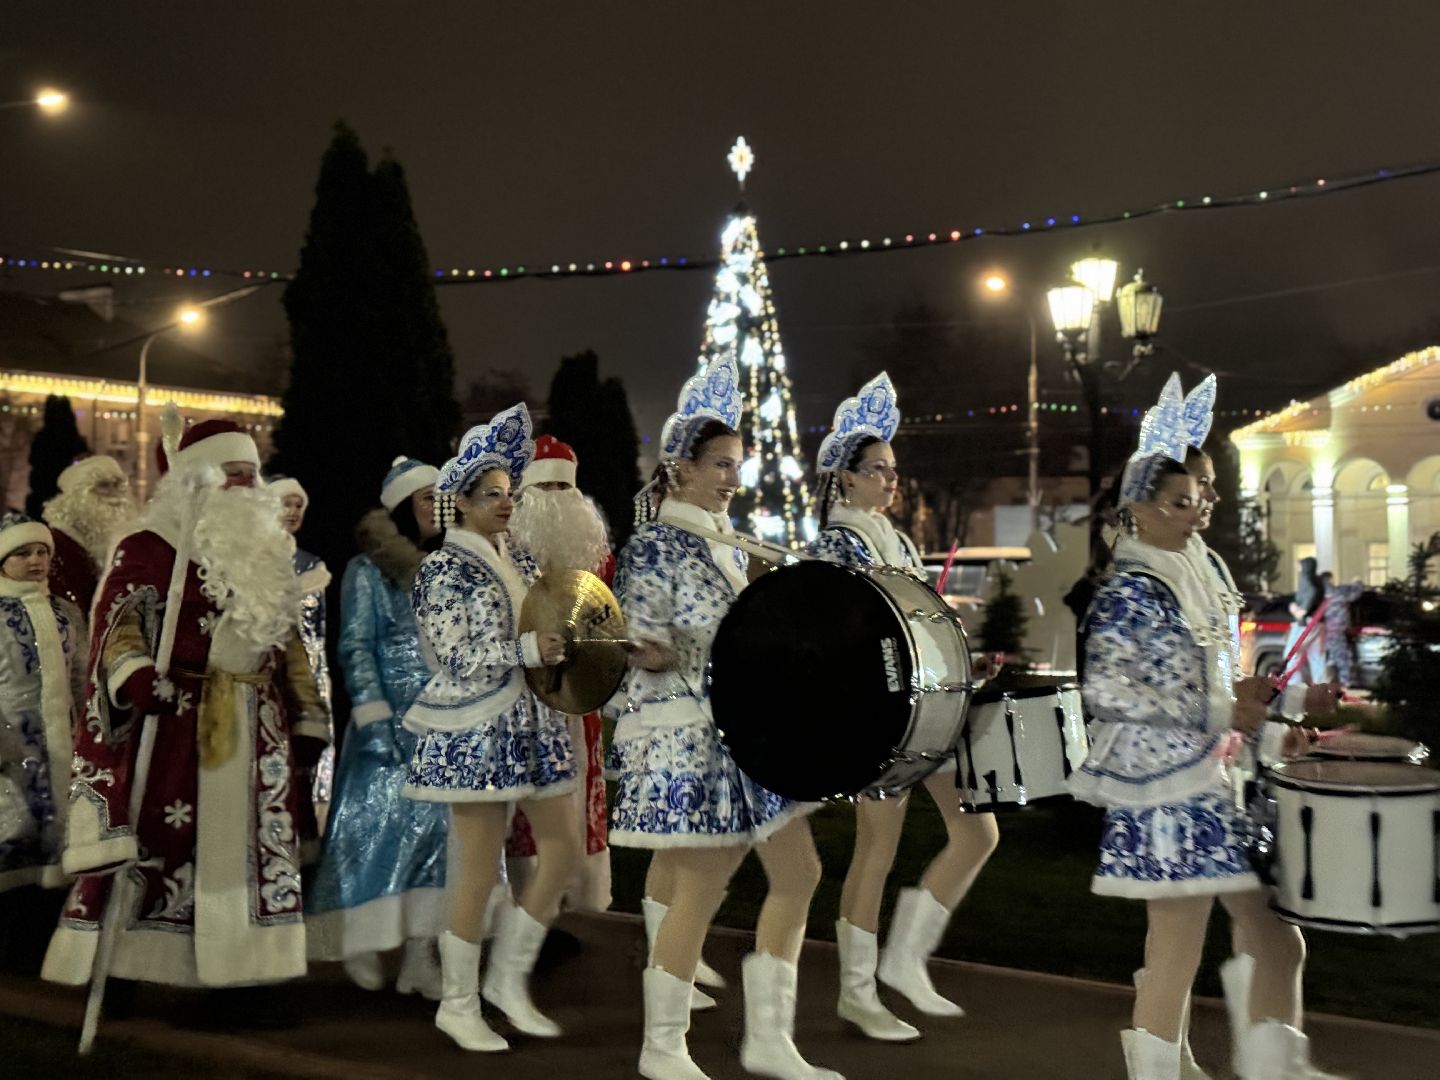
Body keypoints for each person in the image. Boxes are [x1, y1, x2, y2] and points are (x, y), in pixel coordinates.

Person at [1073, 376, 1338, 1080]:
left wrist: (1286, 706)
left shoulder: (1201, 569)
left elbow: (1225, 675)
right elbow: (1106, 690)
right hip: (1164, 784)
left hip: (1214, 777)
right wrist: (1224, 711)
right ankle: (1178, 1067)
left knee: (1267, 935)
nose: (1204, 506)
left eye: (1205, 493)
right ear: (1142, 506)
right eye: (1187, 496)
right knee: (1181, 945)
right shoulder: (1133, 588)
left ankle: (1269, 1064)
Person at [43, 417, 329, 992]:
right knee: (168, 839)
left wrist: (305, 712)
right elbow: (119, 624)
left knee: (259, 849)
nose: (248, 486)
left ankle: (252, 972)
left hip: (259, 723)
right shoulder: (150, 547)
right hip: (180, 717)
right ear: (195, 480)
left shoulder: (270, 552)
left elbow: (288, 640)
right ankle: (136, 968)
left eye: (253, 474)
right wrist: (135, 672)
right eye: (233, 474)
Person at [613, 357, 840, 1080]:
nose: (731, 478)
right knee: (703, 885)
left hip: (749, 733)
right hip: (693, 735)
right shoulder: (656, 542)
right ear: (677, 467)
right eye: (718, 463)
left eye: (737, 464)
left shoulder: (730, 545)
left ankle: (769, 1039)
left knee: (799, 871)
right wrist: (718, 637)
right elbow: (643, 644)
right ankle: (662, 1047)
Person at [807, 373, 995, 1042]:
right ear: (846, 479)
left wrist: (964, 656)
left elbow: (924, 624)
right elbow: (840, 632)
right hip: (877, 716)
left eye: (893, 470)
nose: (891, 481)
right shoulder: (838, 544)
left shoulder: (899, 541)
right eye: (878, 471)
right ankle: (858, 991)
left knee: (979, 830)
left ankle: (906, 960)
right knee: (876, 848)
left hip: (932, 707)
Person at [402, 405, 578, 1054]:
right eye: (492, 495)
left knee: (562, 849)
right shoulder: (443, 569)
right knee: (477, 871)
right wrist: (527, 651)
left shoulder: (521, 561)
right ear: (463, 502)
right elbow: (453, 655)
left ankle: (505, 980)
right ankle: (457, 1002)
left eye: (510, 493)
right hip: (472, 731)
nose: (506, 504)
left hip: (529, 724)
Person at [305, 457, 451, 1000]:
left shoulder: (452, 564)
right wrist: (372, 717)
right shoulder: (369, 570)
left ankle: (420, 954)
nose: (436, 505)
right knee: (371, 834)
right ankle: (359, 937)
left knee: (438, 840)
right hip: (390, 723)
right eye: (424, 498)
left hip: (442, 722)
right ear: (399, 506)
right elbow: (356, 647)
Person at [506, 434, 613, 915]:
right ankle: (528, 904)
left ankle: (583, 900)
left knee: (578, 786)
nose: (552, 499)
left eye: (561, 488)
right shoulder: (504, 551)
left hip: (579, 699)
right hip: (521, 695)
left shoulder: (597, 555)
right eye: (542, 487)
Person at [0, 513, 86, 895]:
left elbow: (81, 679)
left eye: (42, 552)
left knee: (59, 848)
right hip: (11, 744)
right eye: (23, 553)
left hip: (63, 747)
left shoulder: (66, 614)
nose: (36, 561)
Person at [270, 475, 334, 854]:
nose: (293, 512)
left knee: (313, 760)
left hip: (313, 671)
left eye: (298, 505)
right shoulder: (257, 562)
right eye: (285, 504)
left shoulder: (311, 564)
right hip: (280, 677)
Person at [42, 454, 135, 616]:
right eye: (103, 485)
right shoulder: (55, 544)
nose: (114, 494)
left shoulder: (125, 540)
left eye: (118, 484)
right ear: (79, 496)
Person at [1285, 557, 1326, 686]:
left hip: (1305, 623)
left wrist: (1301, 610)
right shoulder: (1318, 581)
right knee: (1316, 656)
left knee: (1292, 653)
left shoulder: (1306, 579)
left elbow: (1311, 593)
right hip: (1317, 623)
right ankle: (1320, 686)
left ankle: (1294, 684)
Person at [1318, 571, 1362, 687]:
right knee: (1342, 658)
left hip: (1322, 632)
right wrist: (1358, 581)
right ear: (1330, 580)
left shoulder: (1319, 595)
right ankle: (1345, 684)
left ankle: (1327, 682)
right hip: (1336, 631)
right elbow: (1355, 594)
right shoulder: (1338, 591)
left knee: (1329, 659)